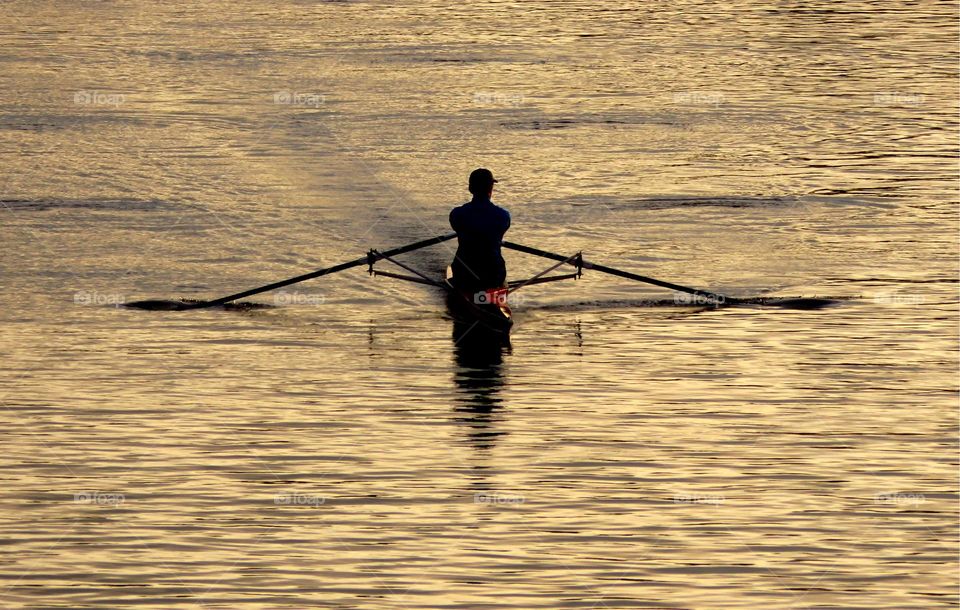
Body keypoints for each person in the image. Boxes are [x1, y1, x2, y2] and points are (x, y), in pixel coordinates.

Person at [449, 168, 511, 293]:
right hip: (493, 275)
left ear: (470, 188)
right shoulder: (503, 216)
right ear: (490, 189)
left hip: (464, 274)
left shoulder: (456, 214)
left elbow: (458, 227)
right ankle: (494, 293)